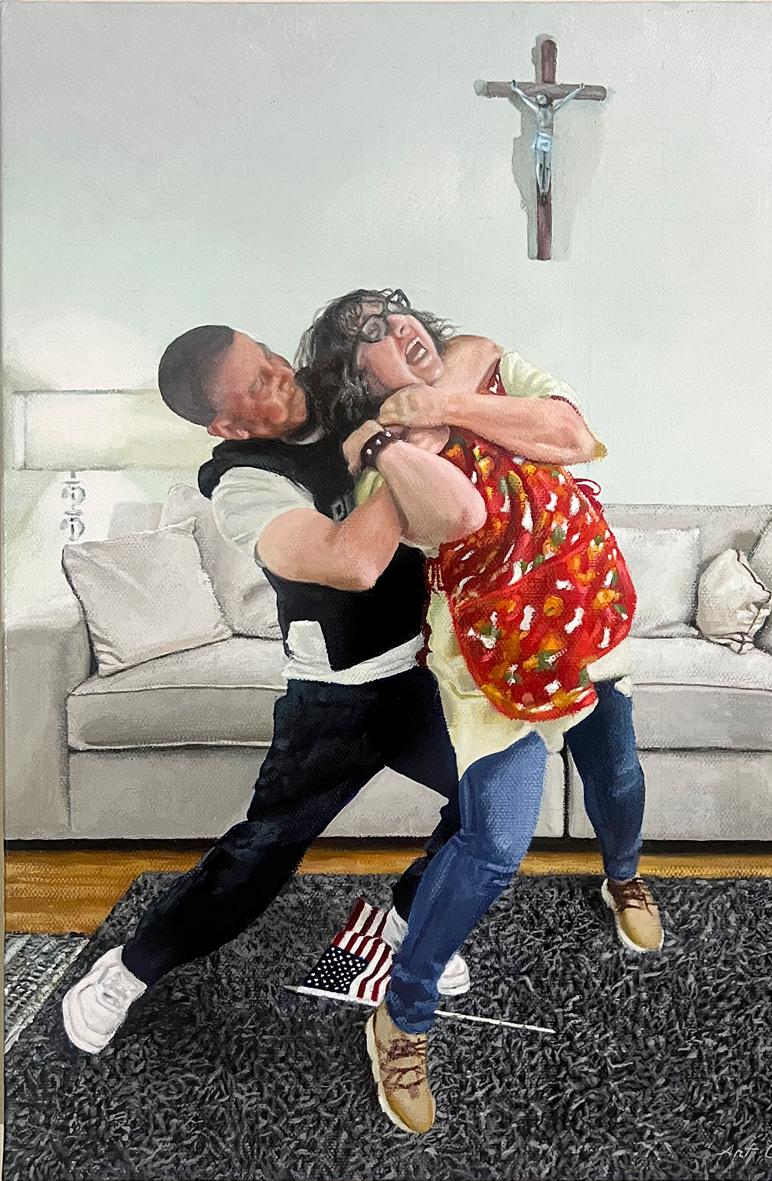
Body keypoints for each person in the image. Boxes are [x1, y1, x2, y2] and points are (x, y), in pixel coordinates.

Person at [298, 288, 664, 1134]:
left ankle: (623, 876)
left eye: (396, 311)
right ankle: (402, 1014)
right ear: (356, 378)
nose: (399, 327)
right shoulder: (380, 464)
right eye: (371, 334)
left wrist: (438, 406)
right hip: (490, 660)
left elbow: (569, 436)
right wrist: (391, 437)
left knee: (615, 775)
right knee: (494, 847)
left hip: (581, 612)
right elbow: (456, 512)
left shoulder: (492, 368)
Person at [61, 324, 485, 1055]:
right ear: (228, 426)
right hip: (336, 697)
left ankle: (407, 919)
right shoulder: (242, 485)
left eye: (270, 358)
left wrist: (423, 409)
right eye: (257, 384)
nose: (283, 376)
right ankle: (127, 972)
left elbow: (475, 348)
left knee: (490, 800)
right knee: (259, 857)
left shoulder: (339, 382)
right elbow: (353, 563)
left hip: (422, 671)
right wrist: (399, 449)